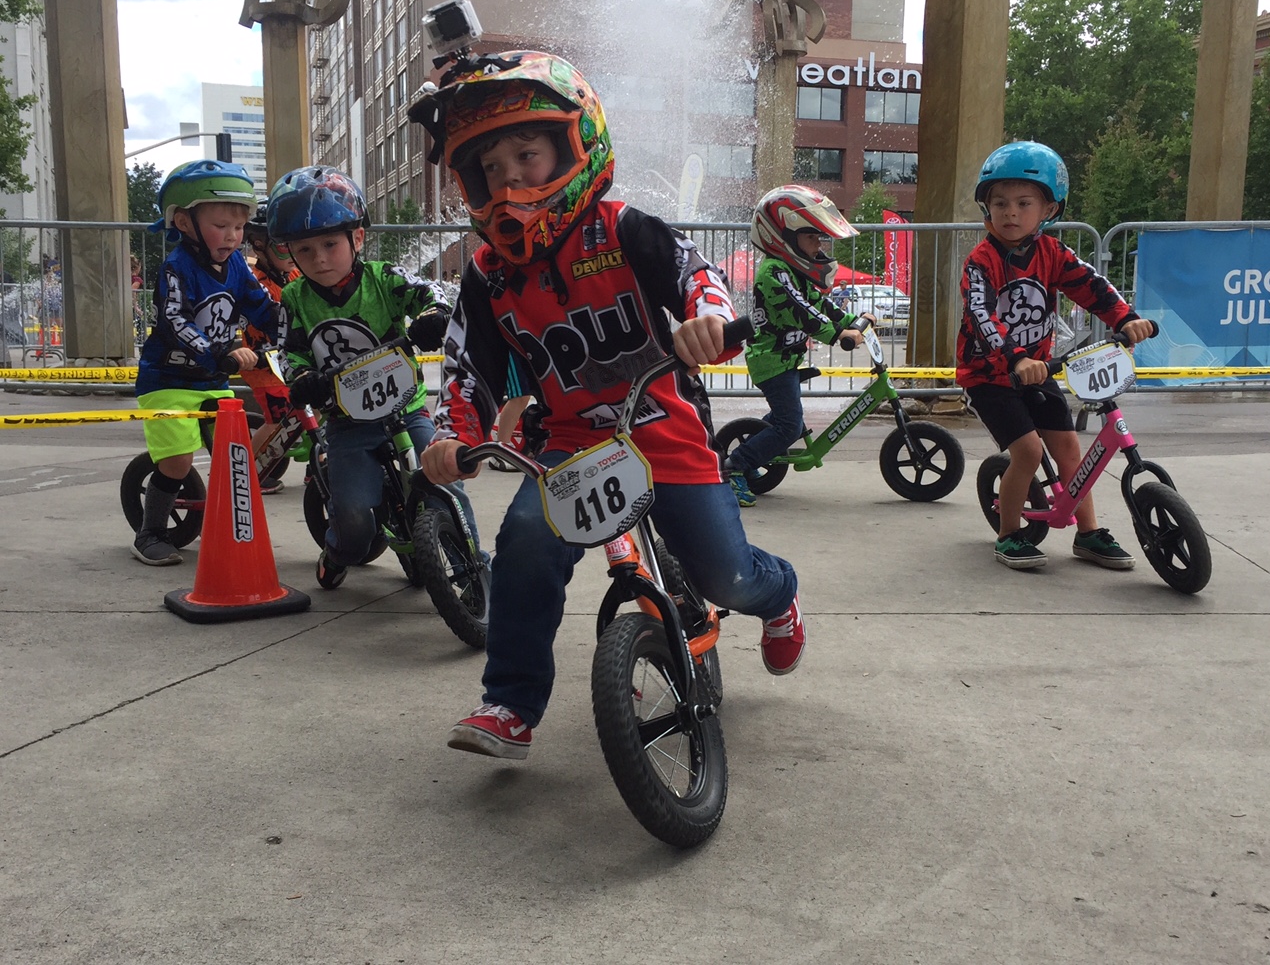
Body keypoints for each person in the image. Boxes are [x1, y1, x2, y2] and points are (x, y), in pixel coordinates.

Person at [409, 49, 805, 762]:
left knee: (726, 575)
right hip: (566, 445)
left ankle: (778, 596)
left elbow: (699, 276)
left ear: (574, 144)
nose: (509, 182)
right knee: (526, 542)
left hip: (664, 429)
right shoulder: (487, 277)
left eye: (526, 155)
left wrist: (706, 320)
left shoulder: (623, 230)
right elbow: (468, 370)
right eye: (488, 170)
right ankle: (509, 702)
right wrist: (450, 436)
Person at [265, 165, 484, 590]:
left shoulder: (383, 279)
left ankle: (475, 562)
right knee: (353, 518)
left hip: (407, 405)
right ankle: (337, 550)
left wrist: (431, 316)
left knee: (446, 478)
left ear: (357, 238)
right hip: (347, 421)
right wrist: (303, 377)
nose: (320, 258)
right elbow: (285, 350)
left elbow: (430, 292)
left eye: (330, 244)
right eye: (304, 250)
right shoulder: (294, 298)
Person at [958, 141, 1153, 571]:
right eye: (1000, 203)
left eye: (1024, 203)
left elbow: (1092, 285)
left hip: (1038, 370)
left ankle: (1088, 533)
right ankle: (1009, 534)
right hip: (989, 375)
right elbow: (981, 316)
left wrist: (1125, 317)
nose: (1010, 212)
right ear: (986, 208)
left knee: (1068, 449)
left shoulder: (1052, 254)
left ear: (1049, 209)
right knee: (1027, 452)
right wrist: (1015, 359)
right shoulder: (981, 262)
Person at [131, 160, 281, 566]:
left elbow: (259, 305)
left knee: (234, 455)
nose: (233, 237)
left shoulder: (235, 266)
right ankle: (151, 533)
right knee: (178, 460)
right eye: (221, 226)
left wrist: (293, 331)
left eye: (239, 228)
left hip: (211, 379)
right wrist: (219, 352)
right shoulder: (176, 268)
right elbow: (174, 319)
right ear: (183, 221)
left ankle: (230, 525)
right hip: (167, 379)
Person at [725, 185, 871, 507]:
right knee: (790, 426)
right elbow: (803, 314)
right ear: (783, 238)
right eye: (811, 237)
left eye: (820, 238)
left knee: (785, 419)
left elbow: (820, 303)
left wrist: (852, 320)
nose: (818, 245)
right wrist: (838, 336)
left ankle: (765, 441)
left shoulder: (795, 271)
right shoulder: (774, 274)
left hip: (785, 360)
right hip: (771, 362)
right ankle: (734, 466)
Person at [242, 203, 303, 495]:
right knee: (279, 416)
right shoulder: (256, 282)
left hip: (286, 358)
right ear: (258, 244)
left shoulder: (293, 278)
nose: (291, 252)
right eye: (282, 245)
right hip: (260, 362)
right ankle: (240, 473)